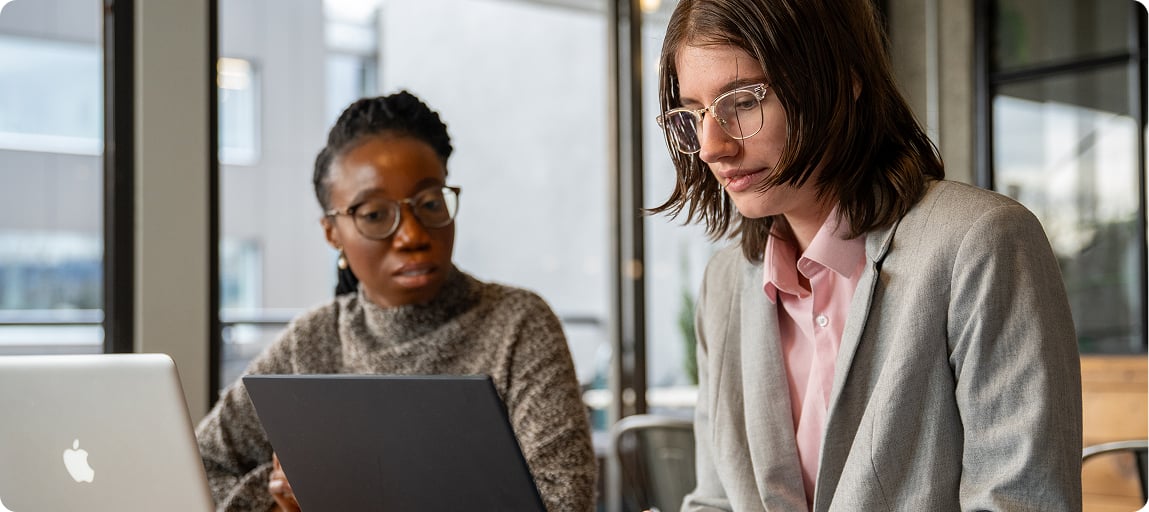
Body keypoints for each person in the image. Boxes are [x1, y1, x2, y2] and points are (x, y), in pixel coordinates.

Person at [650, 1, 1082, 511]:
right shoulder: (724, 283)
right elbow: (716, 500)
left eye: (743, 101)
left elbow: (1021, 502)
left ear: (844, 80)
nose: (711, 146)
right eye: (692, 115)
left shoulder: (981, 243)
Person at [196, 91, 597, 512]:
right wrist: (279, 499)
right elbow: (201, 467)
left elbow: (563, 502)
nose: (412, 235)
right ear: (332, 232)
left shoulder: (517, 324)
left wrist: (339, 493)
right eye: (374, 214)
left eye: (430, 202)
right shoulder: (311, 340)